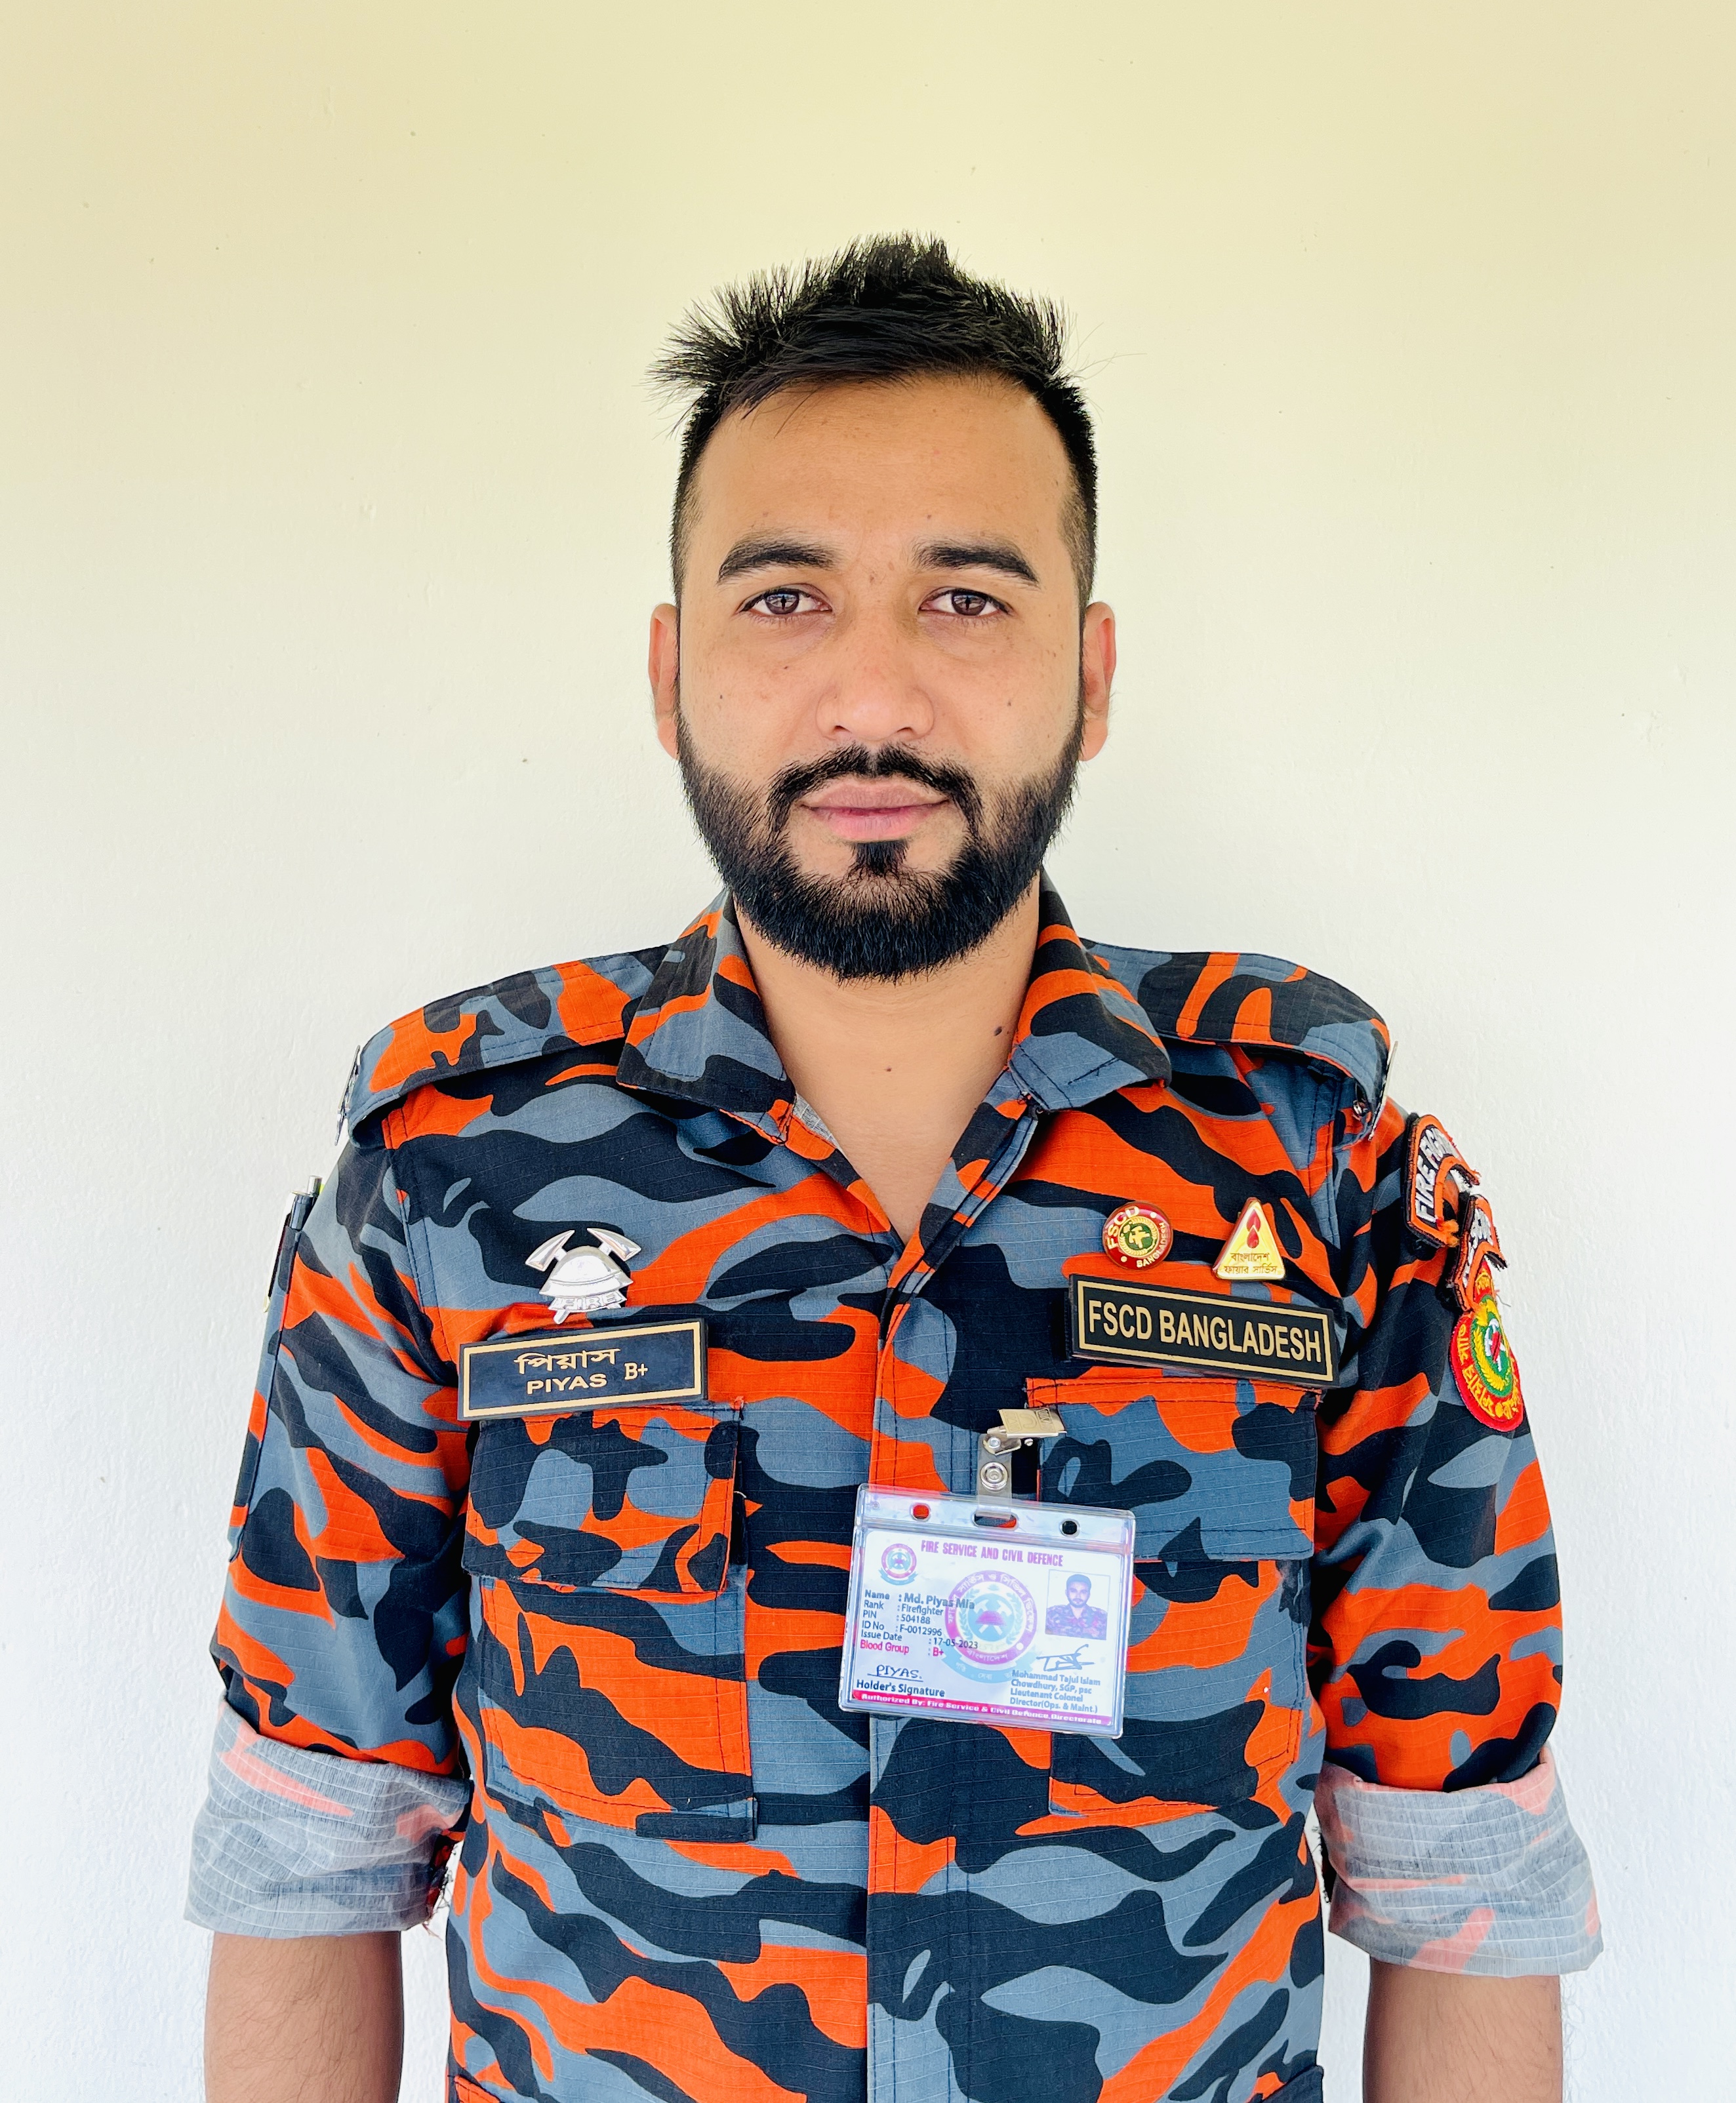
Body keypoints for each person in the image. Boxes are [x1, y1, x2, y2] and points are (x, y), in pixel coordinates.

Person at [190, 235, 1600, 2103]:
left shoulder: (1316, 1169)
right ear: (668, 669)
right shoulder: (455, 1177)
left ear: (1090, 671)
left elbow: (1459, 1862)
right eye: (784, 597)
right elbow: (314, 1838)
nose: (873, 693)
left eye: (964, 597)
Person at [1046, 1574, 1108, 1641]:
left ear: (1089, 1595)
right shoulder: (1051, 1613)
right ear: (1067, 1593)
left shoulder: (1102, 1616)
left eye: (1083, 1592)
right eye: (1073, 1591)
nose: (1078, 1596)